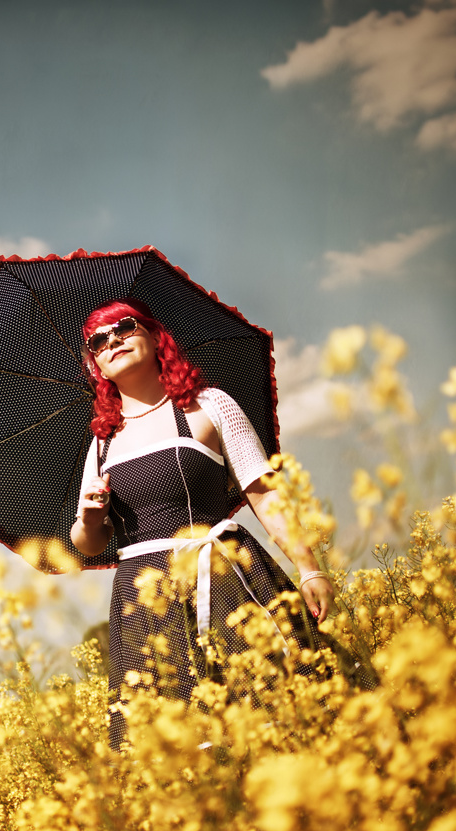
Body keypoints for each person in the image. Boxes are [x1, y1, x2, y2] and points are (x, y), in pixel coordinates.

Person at [70, 299, 335, 749]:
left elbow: (264, 491)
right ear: (96, 366)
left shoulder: (209, 406)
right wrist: (90, 517)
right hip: (145, 603)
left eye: (125, 327)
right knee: (171, 748)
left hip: (228, 578)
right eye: (99, 340)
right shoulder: (101, 442)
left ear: (155, 338)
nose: (113, 340)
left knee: (277, 715)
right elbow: (88, 544)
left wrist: (309, 567)